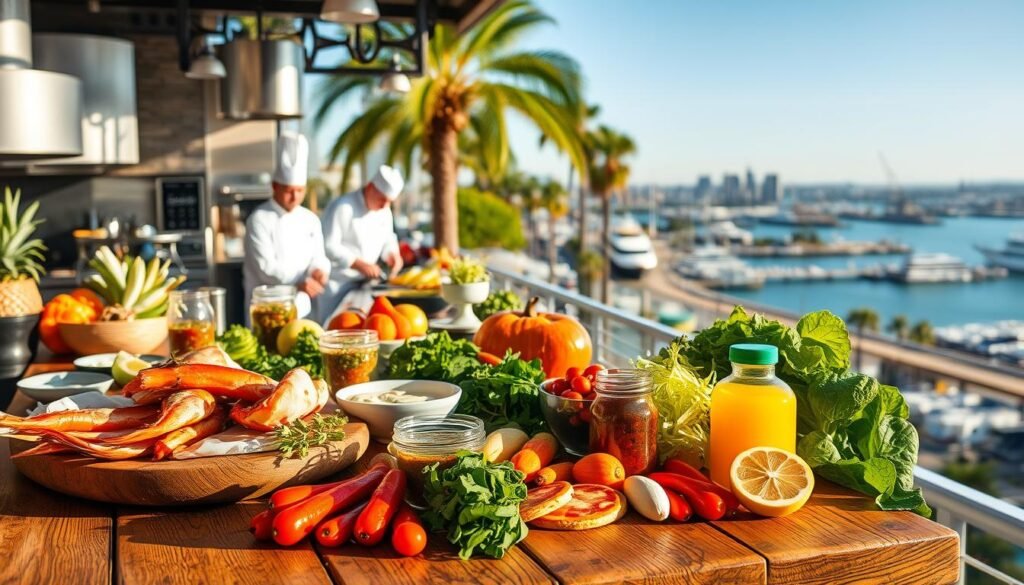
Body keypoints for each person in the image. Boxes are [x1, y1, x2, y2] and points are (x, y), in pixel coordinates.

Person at [242, 132, 330, 318]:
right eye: (289, 191)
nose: (295, 196)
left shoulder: (310, 219)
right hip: (266, 309)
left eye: (300, 190)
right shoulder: (258, 219)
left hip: (302, 309)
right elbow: (266, 268)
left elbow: (318, 256)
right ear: (275, 186)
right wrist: (298, 283)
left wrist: (319, 271)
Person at [318, 165, 405, 323]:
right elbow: (328, 245)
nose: (385, 205)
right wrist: (357, 263)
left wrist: (393, 254)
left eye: (389, 202)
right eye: (382, 199)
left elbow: (388, 238)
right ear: (371, 187)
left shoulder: (384, 211)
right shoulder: (343, 207)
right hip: (336, 285)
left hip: (365, 284)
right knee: (332, 326)